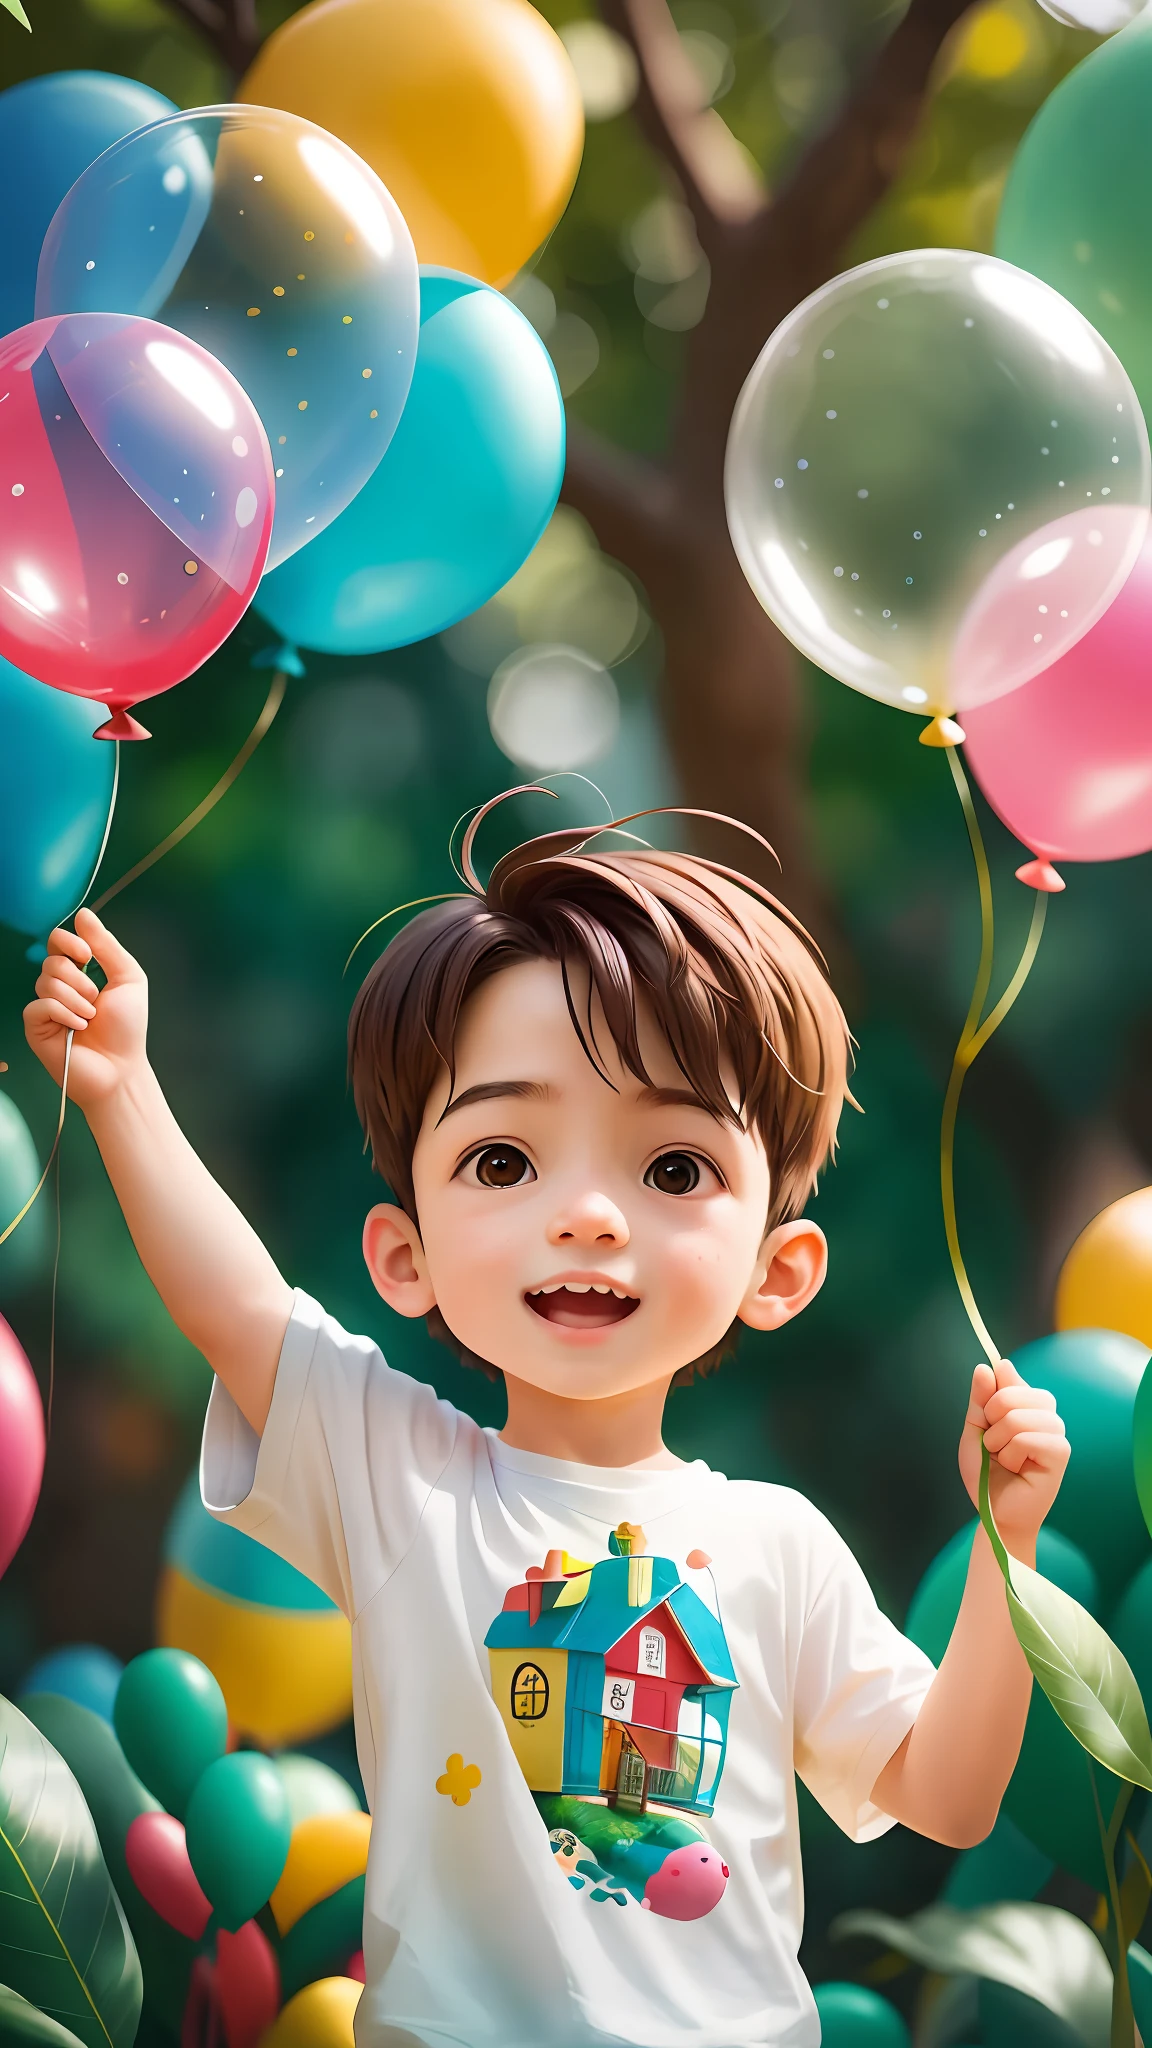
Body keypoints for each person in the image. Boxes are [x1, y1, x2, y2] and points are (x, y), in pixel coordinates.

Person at [24, 802, 1069, 2048]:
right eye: (507, 1159)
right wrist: (123, 1092)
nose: (586, 1213)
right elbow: (238, 1307)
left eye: (672, 1167)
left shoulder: (775, 1541)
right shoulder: (403, 1475)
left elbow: (946, 1794)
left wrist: (1010, 1544)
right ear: (403, 1254)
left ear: (778, 1270)